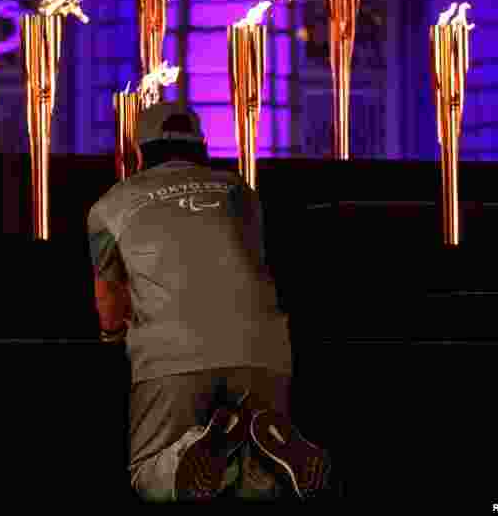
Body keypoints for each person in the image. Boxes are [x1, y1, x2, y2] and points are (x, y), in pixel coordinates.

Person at [87, 102, 331, 502]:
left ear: (138, 150)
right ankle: (264, 457)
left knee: (147, 472)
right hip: (263, 347)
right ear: (203, 145)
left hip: (172, 355)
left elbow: (109, 299)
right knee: (255, 484)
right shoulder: (241, 194)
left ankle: (186, 454)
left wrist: (113, 337)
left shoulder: (110, 204)